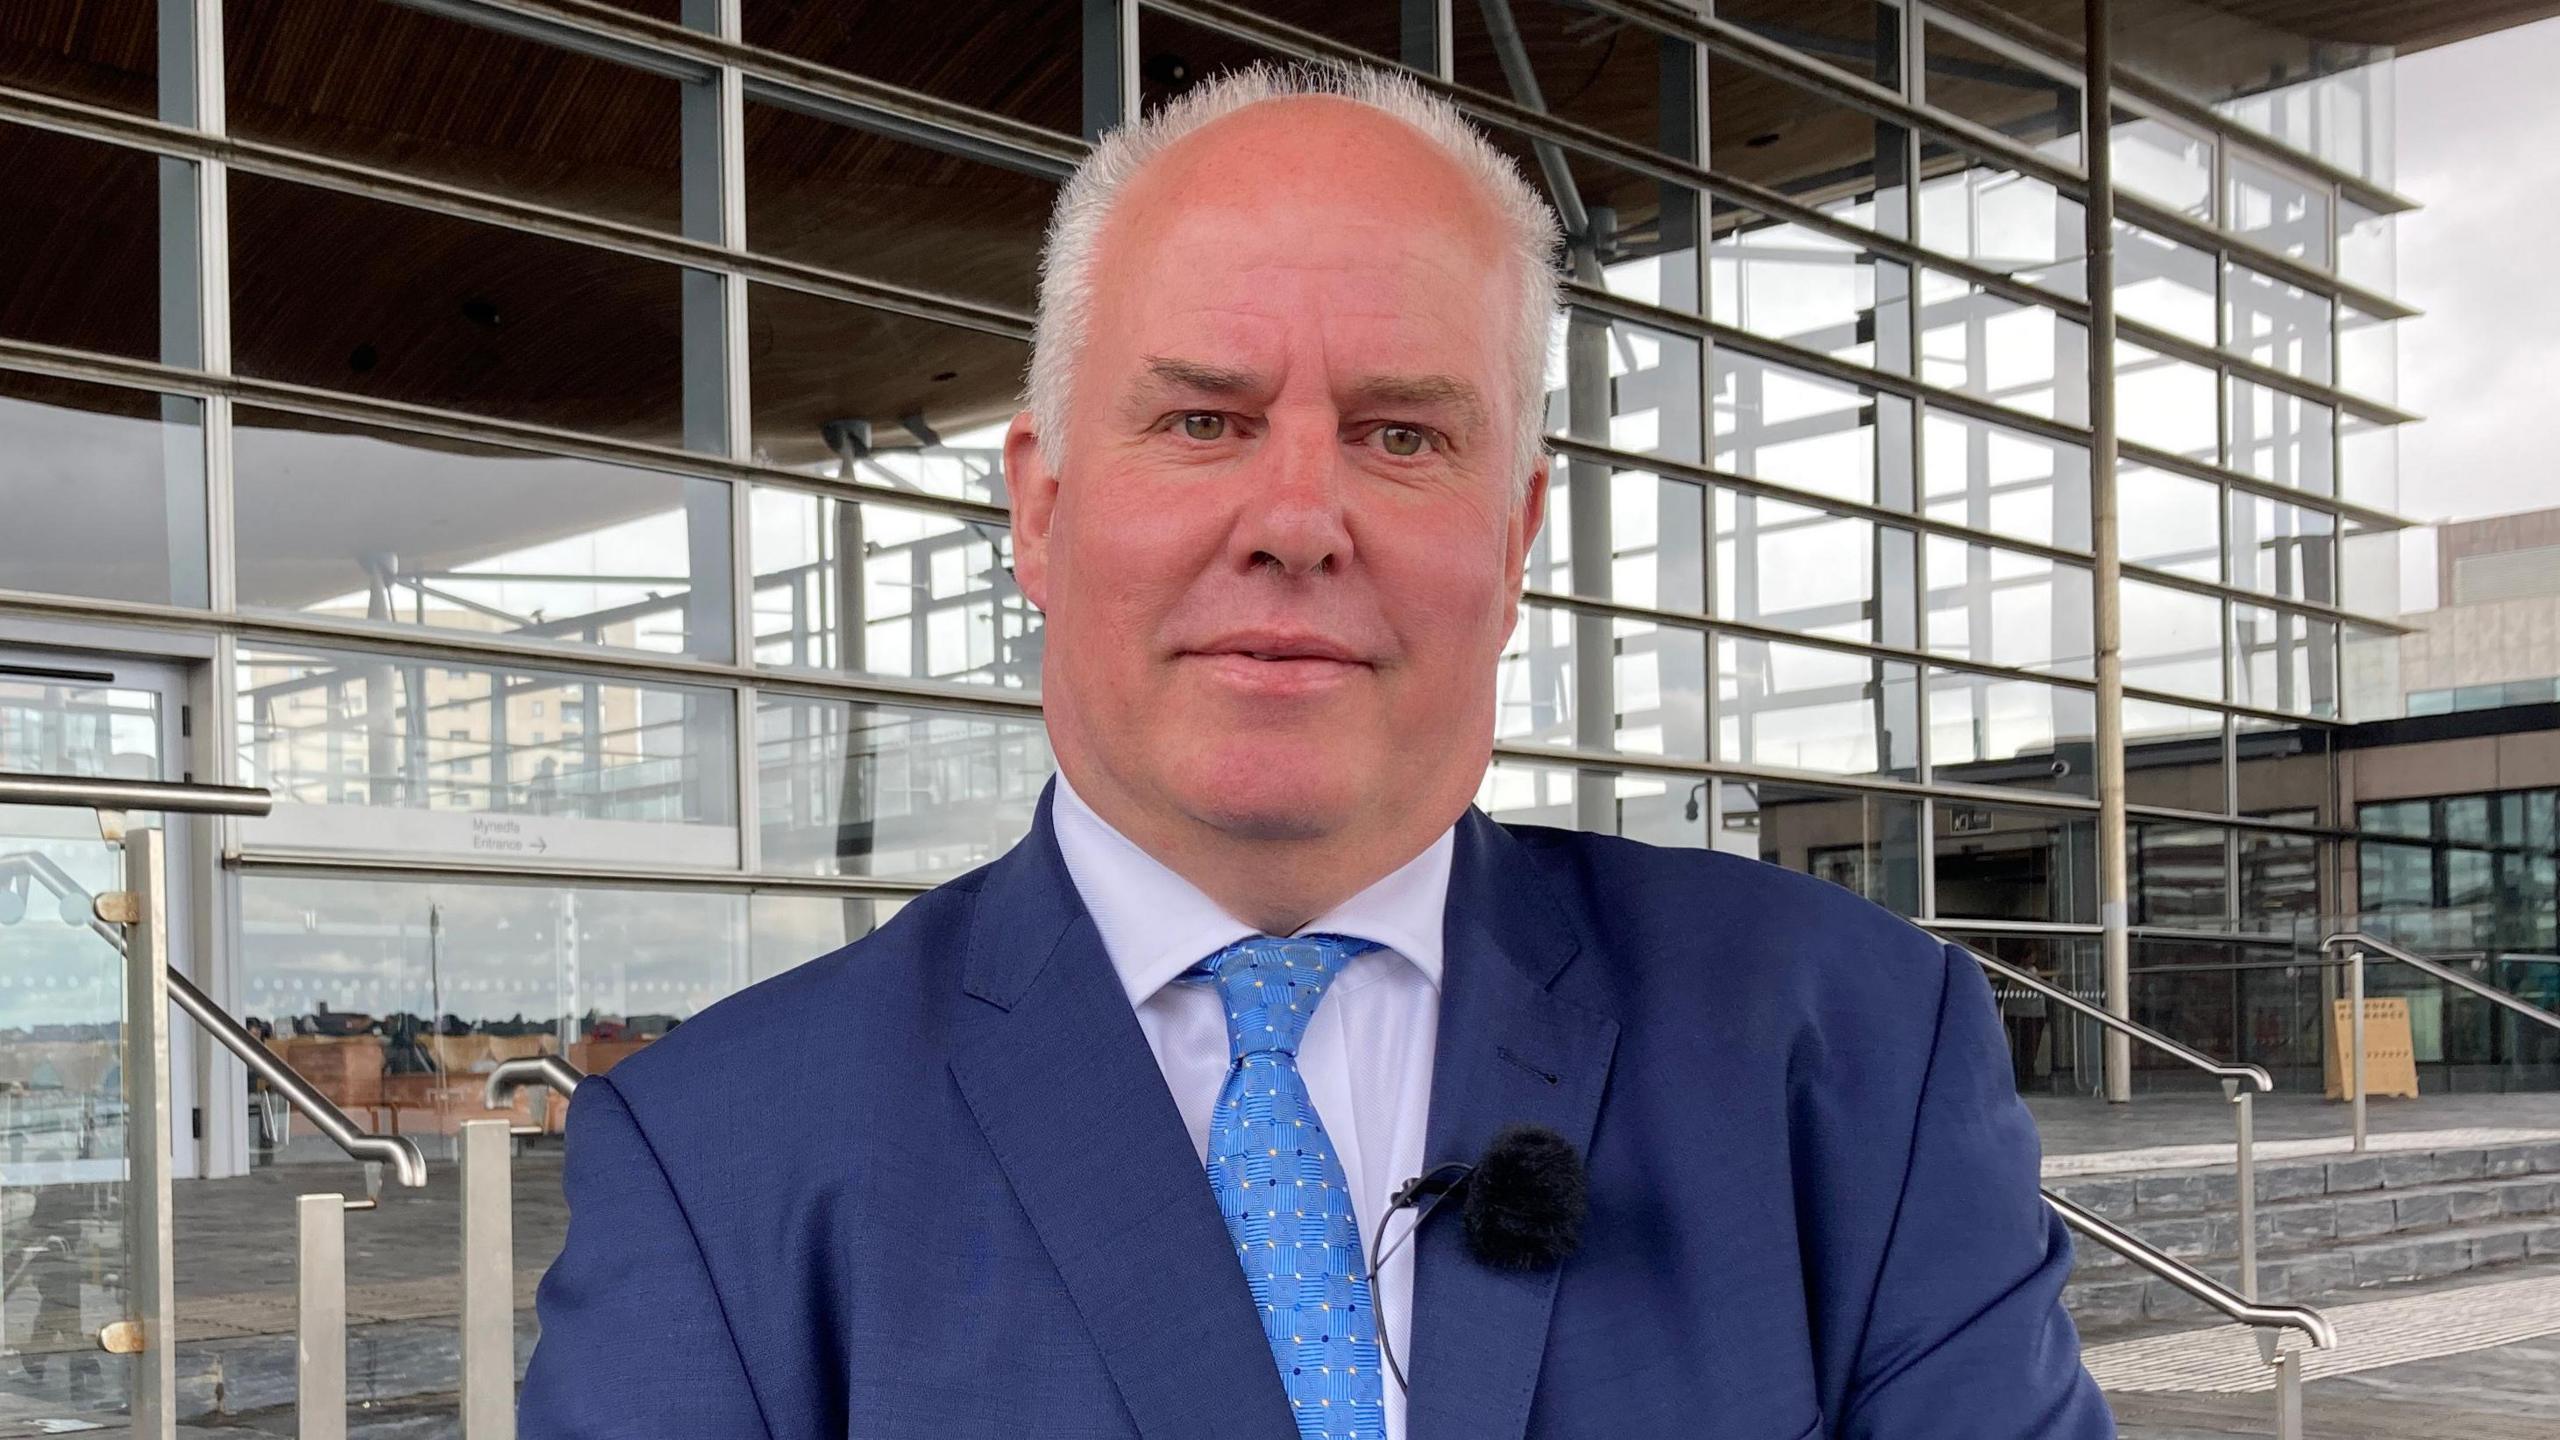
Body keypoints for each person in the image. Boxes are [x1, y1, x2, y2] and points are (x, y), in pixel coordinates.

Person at [519, 62, 2113, 1440]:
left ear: (1516, 533)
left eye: (1401, 433)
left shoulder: (1848, 1057)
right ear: (1043, 507)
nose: (1294, 522)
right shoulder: (722, 1161)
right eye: (1202, 420)